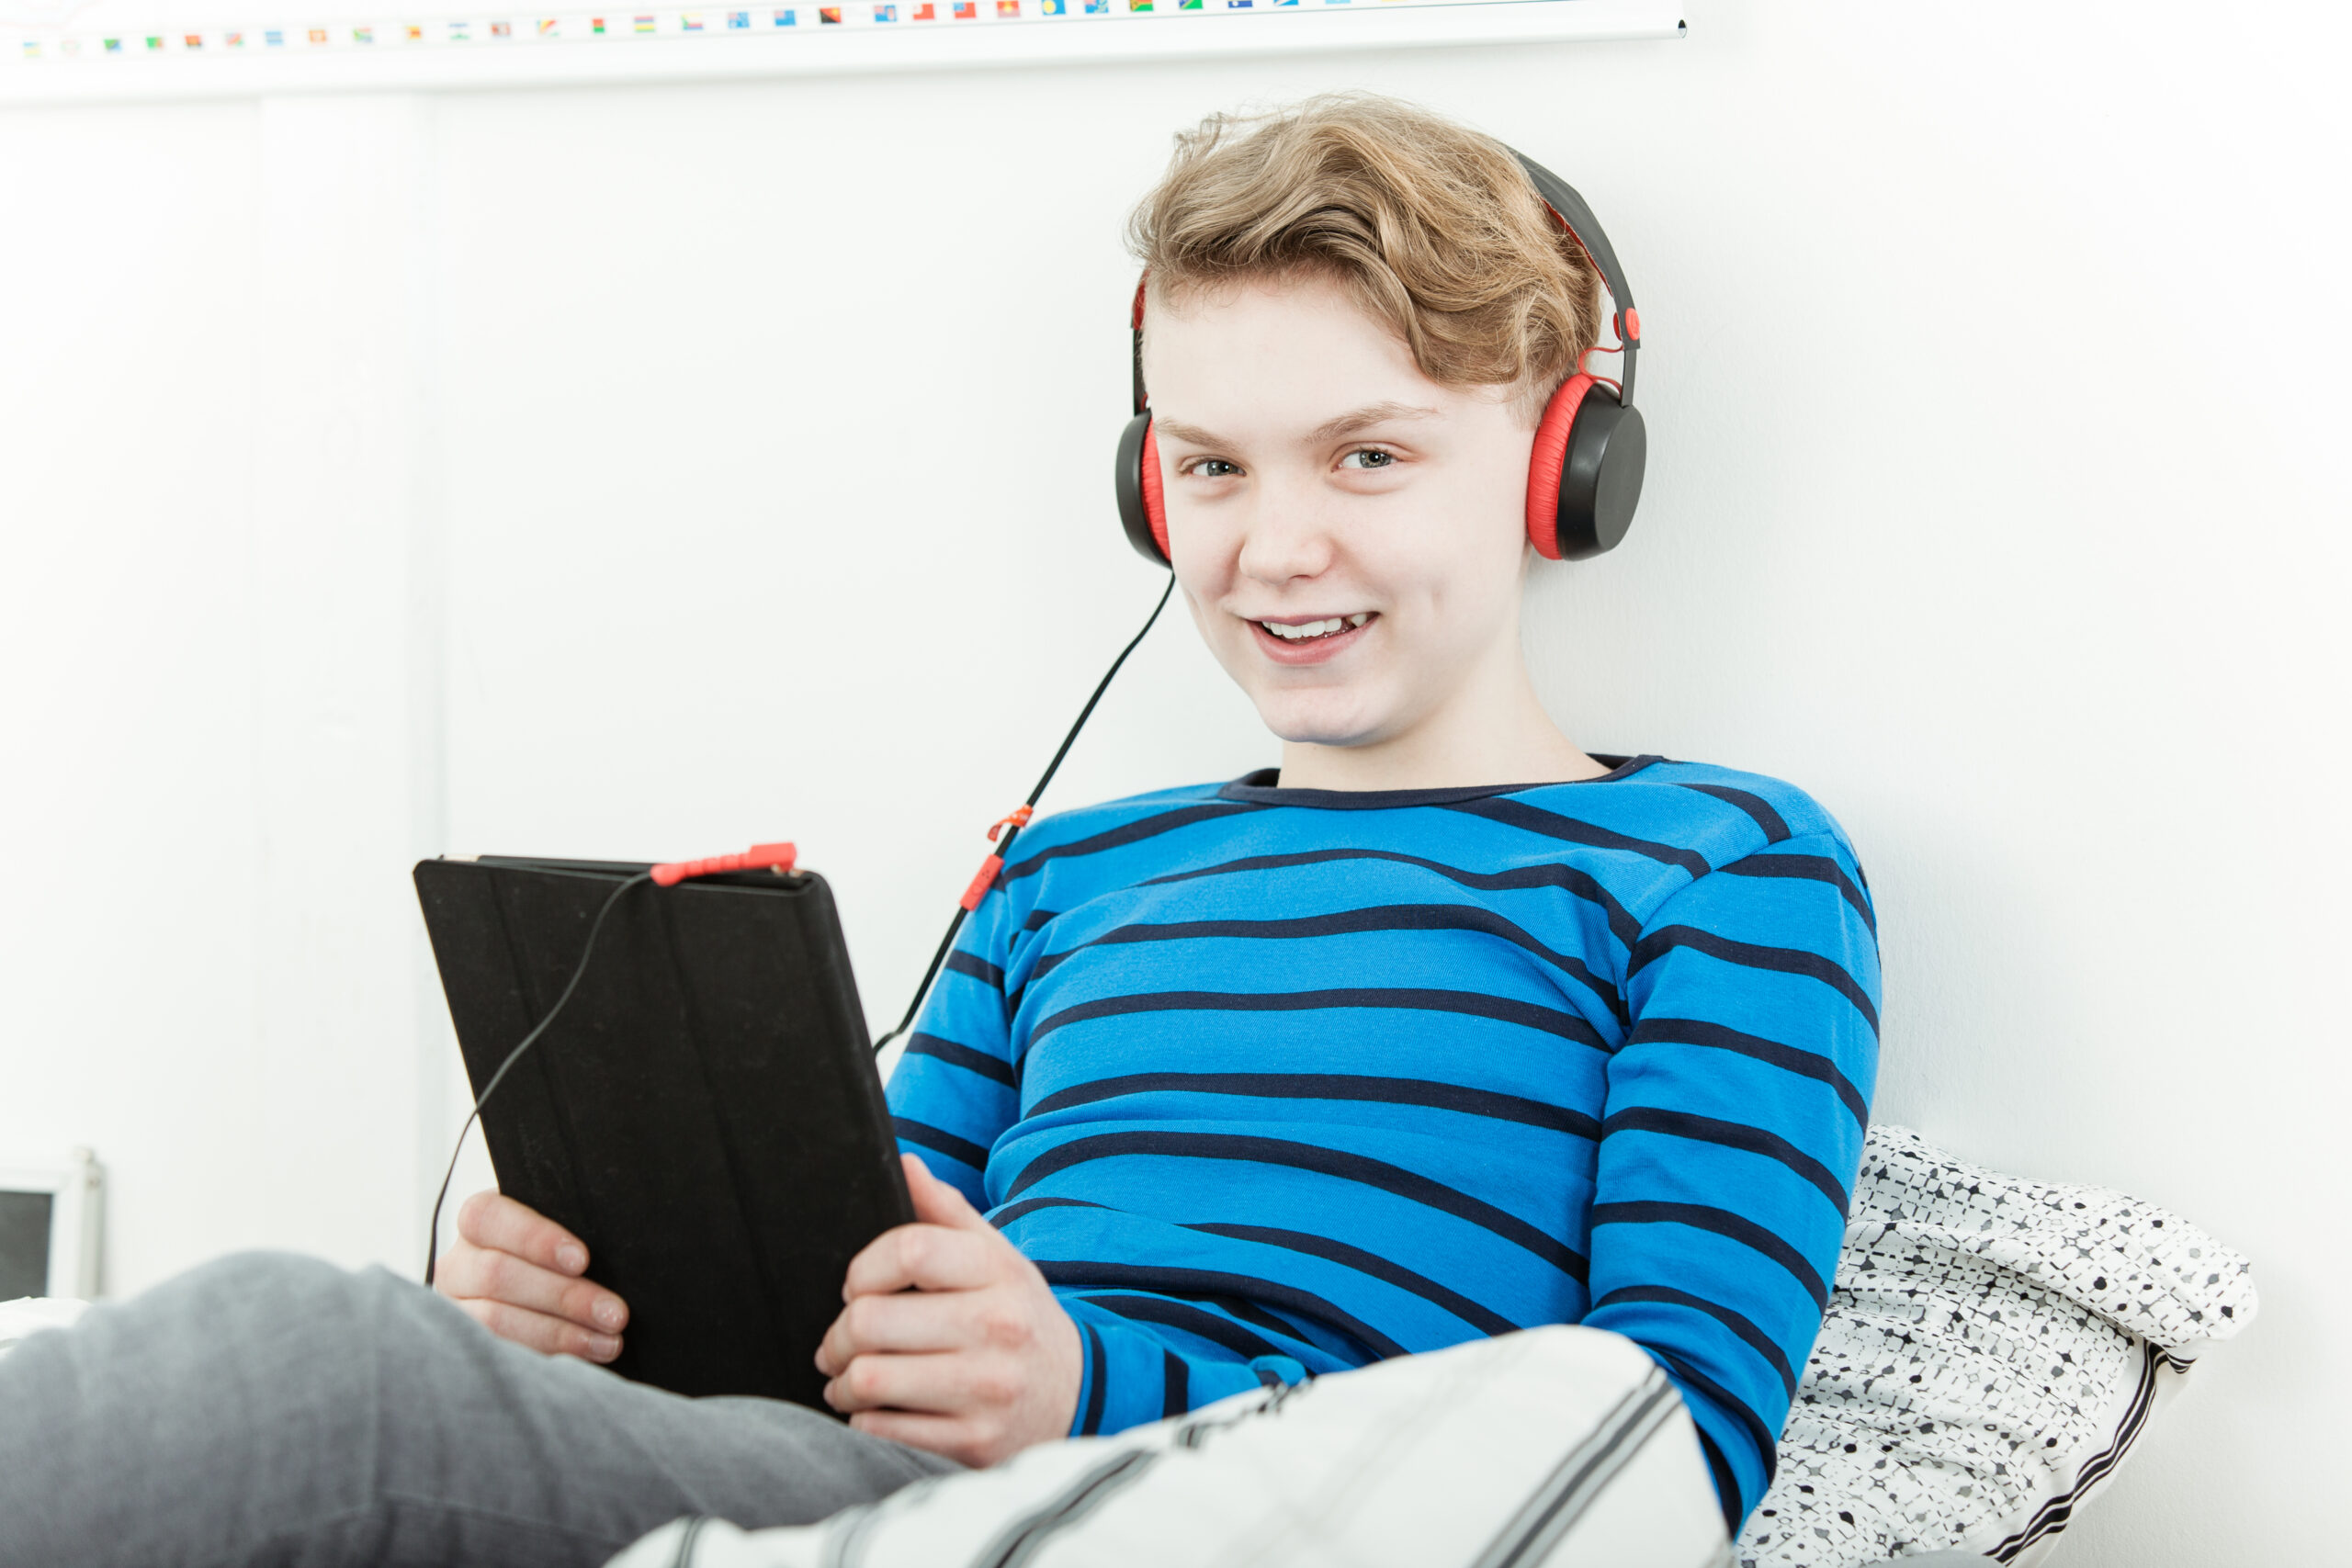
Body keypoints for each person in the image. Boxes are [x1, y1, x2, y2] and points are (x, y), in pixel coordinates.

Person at [0, 94, 1876, 1566]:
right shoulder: (1067, 871)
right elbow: (851, 1284)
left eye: (1366, 454)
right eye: (1209, 466)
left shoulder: (1721, 863)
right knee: (372, 1358)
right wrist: (568, 1314)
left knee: (298, 1369)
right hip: (867, 1475)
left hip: (1206, 1499)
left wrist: (1079, 1383)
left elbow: (1669, 1434)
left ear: (1566, 459)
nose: (1270, 546)